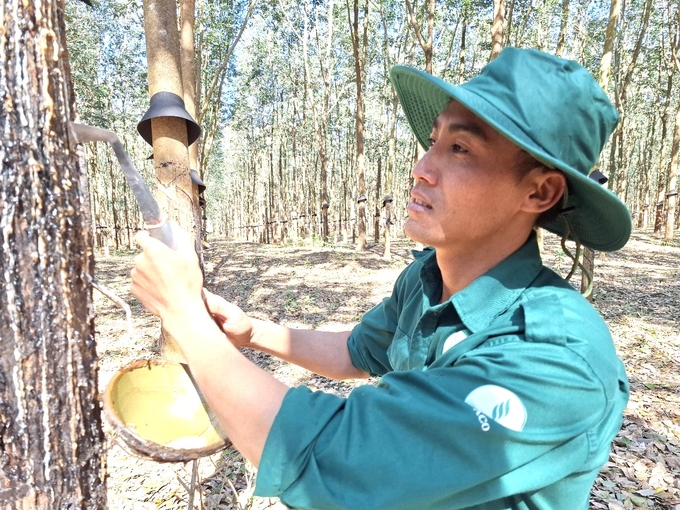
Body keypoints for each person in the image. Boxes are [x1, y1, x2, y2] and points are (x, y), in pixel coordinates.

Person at [131, 47, 632, 509]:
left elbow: (330, 458)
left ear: (540, 193)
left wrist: (184, 316)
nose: (422, 168)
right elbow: (358, 351)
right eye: (434, 140)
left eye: (461, 149)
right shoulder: (426, 279)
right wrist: (253, 332)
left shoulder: (556, 361)